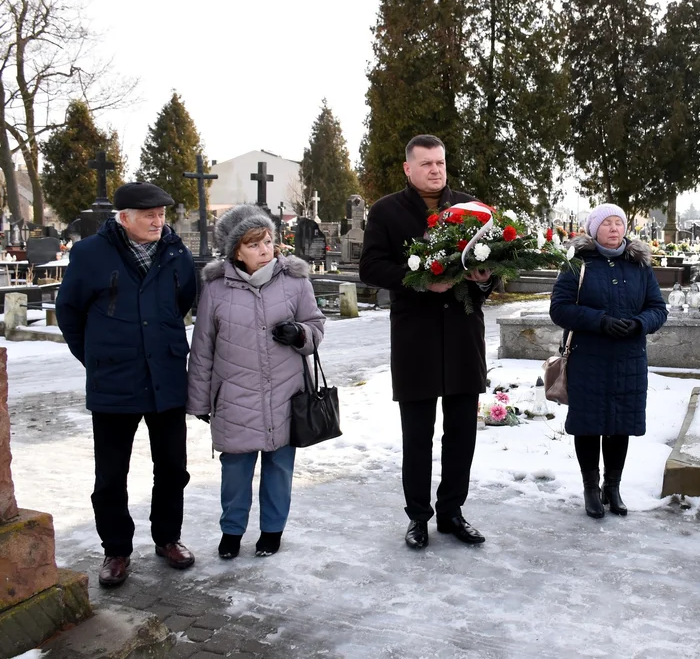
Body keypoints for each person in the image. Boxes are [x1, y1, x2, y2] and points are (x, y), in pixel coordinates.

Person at [56, 182, 198, 587]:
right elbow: (69, 313)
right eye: (148, 215)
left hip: (166, 377)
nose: (158, 221)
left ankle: (168, 538)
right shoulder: (90, 254)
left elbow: (182, 300)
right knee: (111, 474)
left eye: (161, 214)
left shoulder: (175, 252)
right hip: (114, 380)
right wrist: (98, 358)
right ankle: (116, 549)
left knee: (172, 468)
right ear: (124, 217)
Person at [359, 134, 495, 550]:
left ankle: (452, 512)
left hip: (462, 334)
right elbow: (371, 267)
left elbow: (495, 259)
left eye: (440, 163)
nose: (435, 170)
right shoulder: (386, 211)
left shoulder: (471, 207)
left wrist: (486, 278)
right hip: (415, 337)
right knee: (417, 435)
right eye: (426, 164)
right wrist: (420, 282)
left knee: (460, 434)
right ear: (408, 168)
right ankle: (418, 516)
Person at [186, 204, 325, 559]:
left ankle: (272, 531)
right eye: (254, 244)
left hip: (286, 393)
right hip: (234, 397)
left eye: (267, 241)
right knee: (235, 471)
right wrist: (200, 402)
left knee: (279, 468)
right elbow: (203, 348)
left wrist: (299, 334)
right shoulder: (216, 289)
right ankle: (231, 532)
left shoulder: (295, 280)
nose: (265, 250)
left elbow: (316, 326)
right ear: (235, 250)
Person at [549, 204, 668, 519]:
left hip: (628, 359)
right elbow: (559, 308)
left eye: (619, 223)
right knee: (588, 424)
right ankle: (590, 488)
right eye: (607, 224)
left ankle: (611, 487)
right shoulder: (577, 263)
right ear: (594, 229)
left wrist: (640, 323)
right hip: (588, 358)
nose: (615, 229)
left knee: (620, 424)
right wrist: (599, 321)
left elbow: (658, 307)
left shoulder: (639, 265)